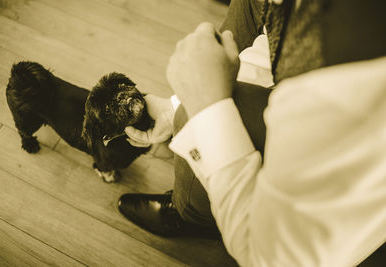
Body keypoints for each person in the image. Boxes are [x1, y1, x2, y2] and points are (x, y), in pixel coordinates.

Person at [118, 0, 386, 266]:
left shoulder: (344, 84)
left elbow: (271, 258)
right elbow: (275, 41)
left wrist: (203, 107)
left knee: (198, 115)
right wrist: (182, 99)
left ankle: (194, 214)